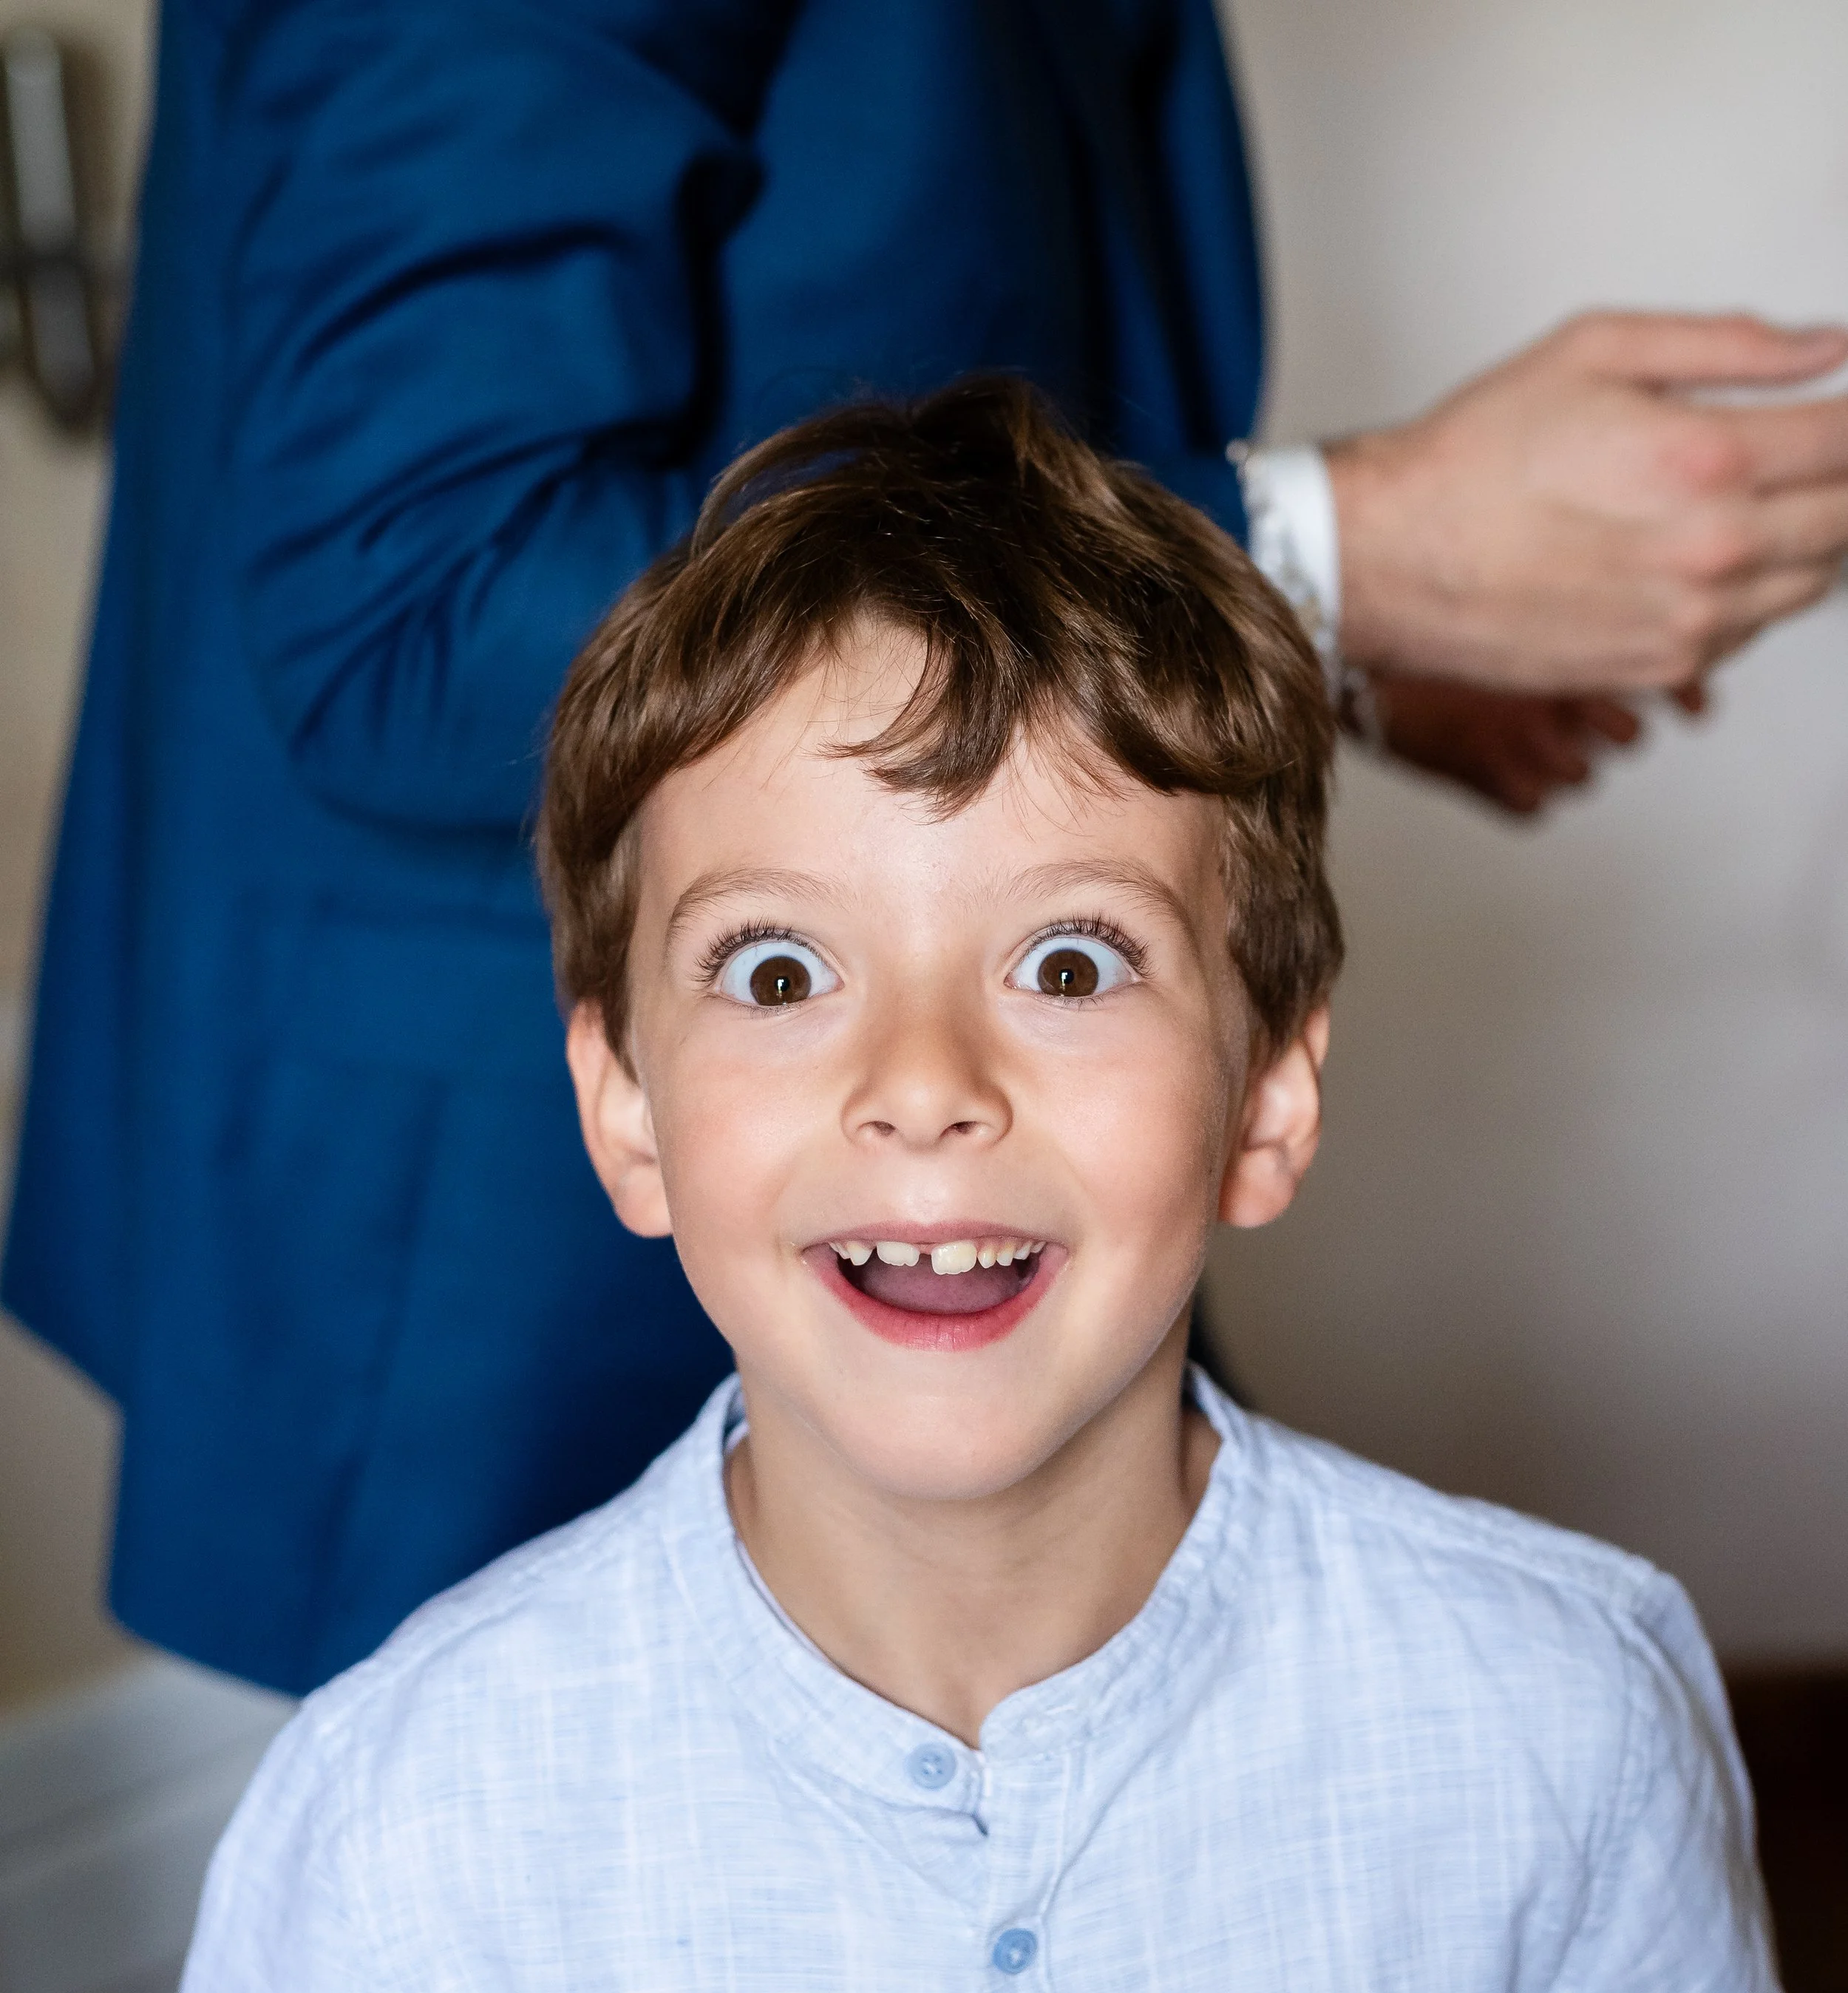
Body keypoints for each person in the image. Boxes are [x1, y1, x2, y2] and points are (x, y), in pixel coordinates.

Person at [84, 383, 1848, 1993]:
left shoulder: (1550, 1698)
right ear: (622, 1101)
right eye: (782, 974)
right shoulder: (421, 1811)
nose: (923, 1082)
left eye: (1075, 963)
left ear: (1271, 1092)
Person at [6, 0, 1847, 1699]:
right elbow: (423, 588)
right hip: (496, 1253)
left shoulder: (1563, 1694)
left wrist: (1286, 633)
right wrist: (1337, 545)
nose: (929, 1092)